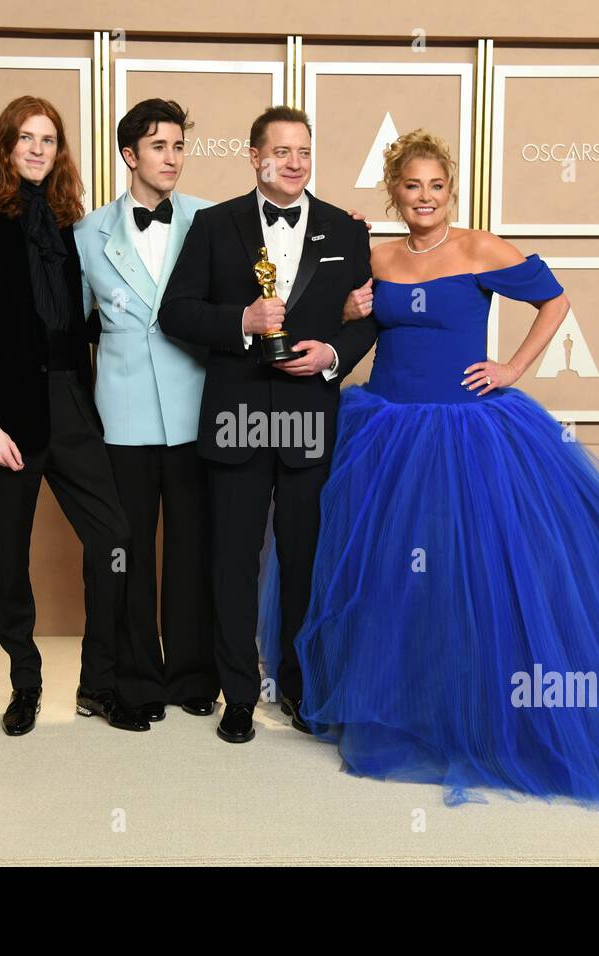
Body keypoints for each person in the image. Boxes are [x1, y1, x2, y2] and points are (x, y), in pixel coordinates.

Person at [259, 130, 599, 806]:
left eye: (437, 186)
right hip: (386, 426)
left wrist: (512, 367)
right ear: (393, 191)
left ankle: (483, 708)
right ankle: (410, 704)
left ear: (450, 192)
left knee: (479, 571)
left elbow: (555, 302)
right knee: (393, 573)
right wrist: (344, 307)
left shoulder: (481, 248)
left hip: (466, 430)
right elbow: (344, 321)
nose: (425, 197)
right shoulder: (378, 258)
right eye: (412, 185)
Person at [159, 105, 378, 743]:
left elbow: (366, 317)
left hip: (311, 417)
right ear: (254, 157)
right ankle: (237, 696)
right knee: (232, 561)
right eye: (280, 151)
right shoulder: (213, 224)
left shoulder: (344, 228)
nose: (294, 162)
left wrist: (334, 353)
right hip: (237, 416)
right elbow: (177, 313)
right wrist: (242, 323)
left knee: (305, 560)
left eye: (303, 151)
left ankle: (301, 691)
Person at [0, 95, 147, 736]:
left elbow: (82, 316)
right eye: (25, 137)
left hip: (71, 404)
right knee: (9, 557)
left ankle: (99, 684)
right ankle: (24, 684)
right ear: (5, 146)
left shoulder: (69, 226)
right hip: (5, 416)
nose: (36, 148)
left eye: (49, 140)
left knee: (114, 539)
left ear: (60, 153)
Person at [73, 99, 220, 723]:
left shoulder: (213, 222)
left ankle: (191, 675)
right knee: (126, 555)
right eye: (159, 146)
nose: (173, 157)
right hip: (123, 419)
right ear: (129, 155)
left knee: (192, 549)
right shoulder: (85, 235)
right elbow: (72, 330)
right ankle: (133, 682)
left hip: (195, 413)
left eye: (179, 146)